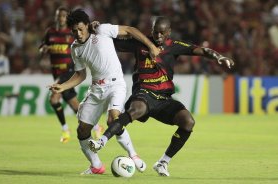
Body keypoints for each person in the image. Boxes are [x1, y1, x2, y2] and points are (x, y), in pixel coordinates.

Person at [89, 16, 235, 176]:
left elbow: (202, 50)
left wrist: (218, 56)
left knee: (188, 121)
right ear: (151, 31)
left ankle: (163, 162)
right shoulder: (140, 43)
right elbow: (110, 42)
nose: (158, 36)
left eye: (162, 33)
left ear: (168, 33)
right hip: (143, 92)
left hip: (164, 99)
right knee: (136, 109)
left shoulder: (174, 46)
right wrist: (95, 30)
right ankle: (101, 141)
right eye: (155, 32)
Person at [49, 9, 160, 175]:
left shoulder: (101, 30)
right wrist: (63, 86)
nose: (78, 33)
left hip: (115, 85)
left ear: (87, 25)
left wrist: (151, 46)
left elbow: (130, 30)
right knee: (82, 130)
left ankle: (133, 155)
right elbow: (81, 74)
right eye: (74, 31)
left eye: (80, 29)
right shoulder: (75, 48)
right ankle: (96, 166)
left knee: (113, 118)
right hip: (96, 89)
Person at [39, 6, 104, 143]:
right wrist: (43, 49)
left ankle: (65, 129)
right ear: (56, 17)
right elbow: (41, 47)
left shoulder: (72, 32)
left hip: (69, 71)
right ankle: (97, 127)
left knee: (54, 99)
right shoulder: (50, 32)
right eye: (59, 16)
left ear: (66, 18)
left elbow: (83, 40)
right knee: (75, 106)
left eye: (63, 16)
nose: (60, 18)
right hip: (56, 71)